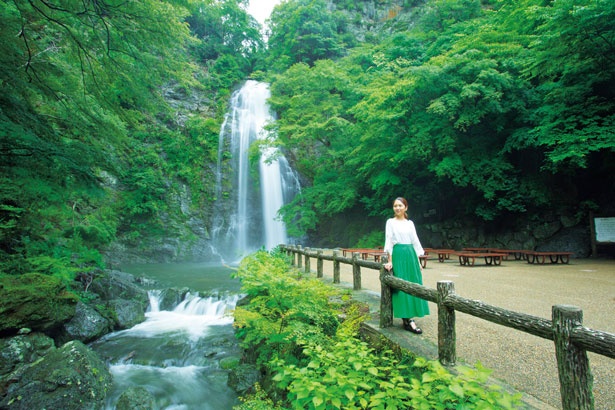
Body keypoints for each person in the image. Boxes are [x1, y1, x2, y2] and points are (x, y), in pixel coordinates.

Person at [383, 197, 429, 334]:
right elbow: (389, 240)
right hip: (399, 254)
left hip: (410, 255)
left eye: (400, 205)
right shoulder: (390, 222)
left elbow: (415, 241)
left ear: (405, 208)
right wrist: (390, 260)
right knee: (402, 285)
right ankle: (409, 319)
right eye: (395, 206)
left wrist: (418, 261)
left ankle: (409, 316)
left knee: (414, 283)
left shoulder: (410, 223)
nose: (397, 208)